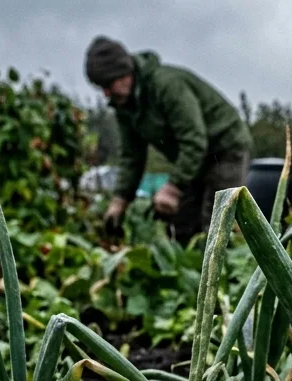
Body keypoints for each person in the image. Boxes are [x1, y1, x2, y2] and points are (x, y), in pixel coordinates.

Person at [85, 36, 251, 243]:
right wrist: (120, 200)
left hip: (225, 148)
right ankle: (191, 273)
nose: (106, 93)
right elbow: (132, 157)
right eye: (101, 87)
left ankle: (229, 272)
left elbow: (193, 138)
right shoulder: (125, 107)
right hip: (194, 159)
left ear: (124, 73)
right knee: (181, 224)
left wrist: (173, 188)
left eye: (108, 84)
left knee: (217, 226)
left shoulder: (166, 86)